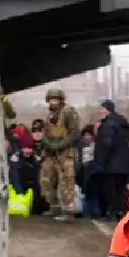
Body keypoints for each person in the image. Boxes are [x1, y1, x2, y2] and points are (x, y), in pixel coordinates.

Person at [40, 89, 81, 223]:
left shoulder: (68, 112)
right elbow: (45, 133)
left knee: (66, 182)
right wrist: (45, 143)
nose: (53, 102)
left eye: (56, 99)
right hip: (50, 153)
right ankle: (55, 207)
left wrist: (61, 144)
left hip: (65, 153)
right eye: (51, 100)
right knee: (45, 180)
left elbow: (75, 133)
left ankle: (68, 212)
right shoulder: (49, 115)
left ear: (61, 100)